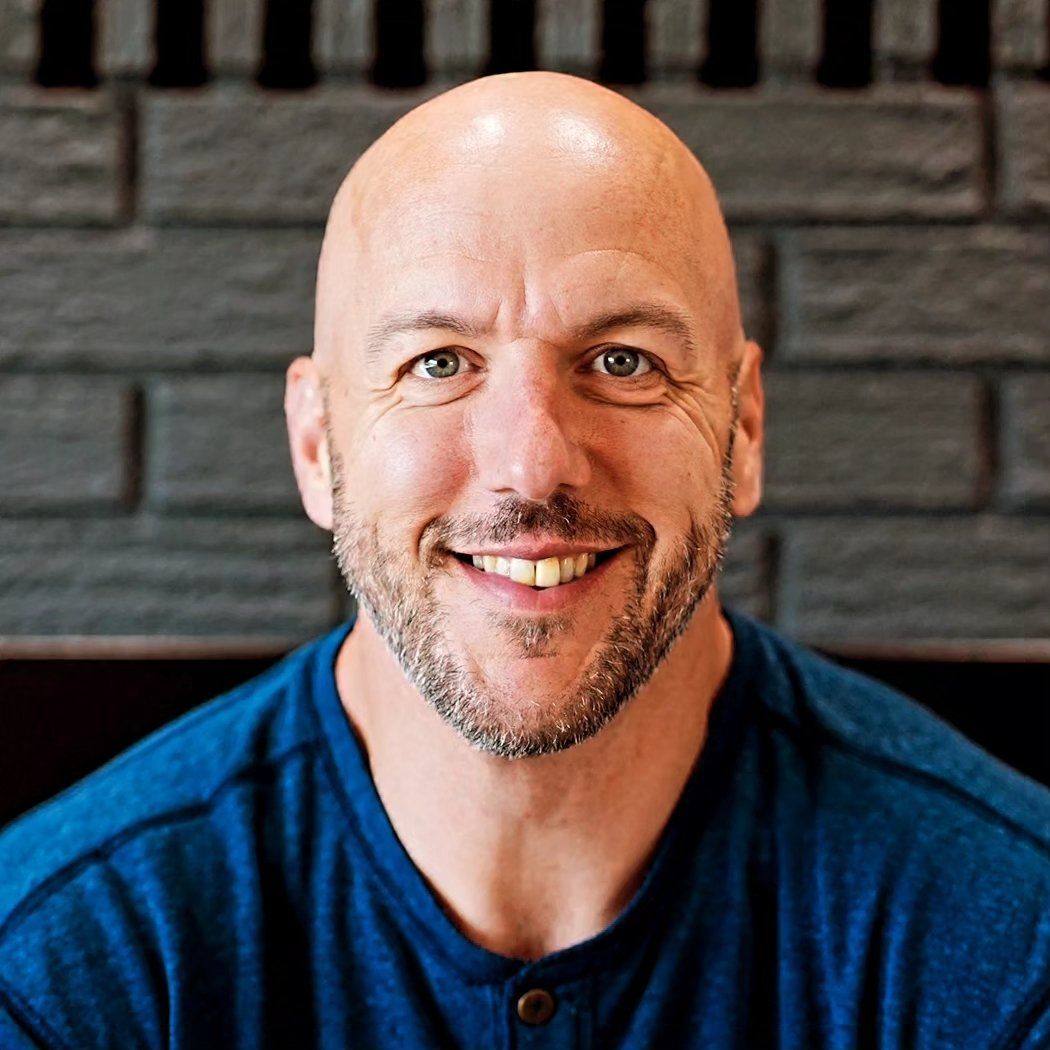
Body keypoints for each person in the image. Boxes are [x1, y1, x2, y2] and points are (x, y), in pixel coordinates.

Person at [1, 71, 1048, 1050]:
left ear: (744, 427)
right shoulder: (63, 963)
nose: (532, 464)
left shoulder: (1010, 943)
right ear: (317, 445)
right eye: (438, 363)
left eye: (623, 361)